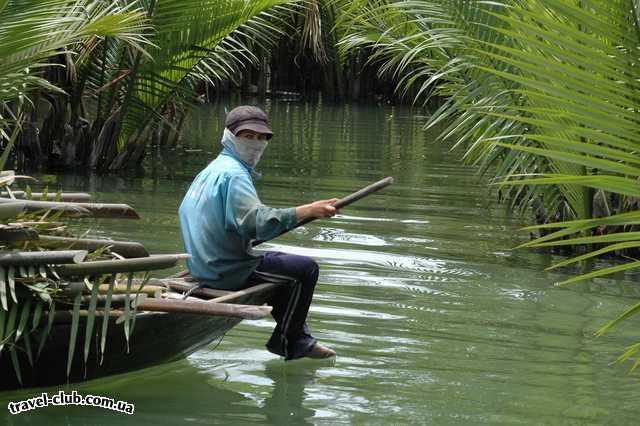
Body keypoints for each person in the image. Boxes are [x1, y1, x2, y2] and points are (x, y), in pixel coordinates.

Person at [179, 105, 337, 360]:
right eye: (248, 136)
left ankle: (297, 338)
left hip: (202, 265)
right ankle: (290, 342)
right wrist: (308, 210)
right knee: (305, 269)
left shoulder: (212, 170)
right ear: (230, 136)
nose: (256, 143)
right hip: (225, 270)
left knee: (286, 269)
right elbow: (256, 222)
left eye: (261, 138)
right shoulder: (234, 175)